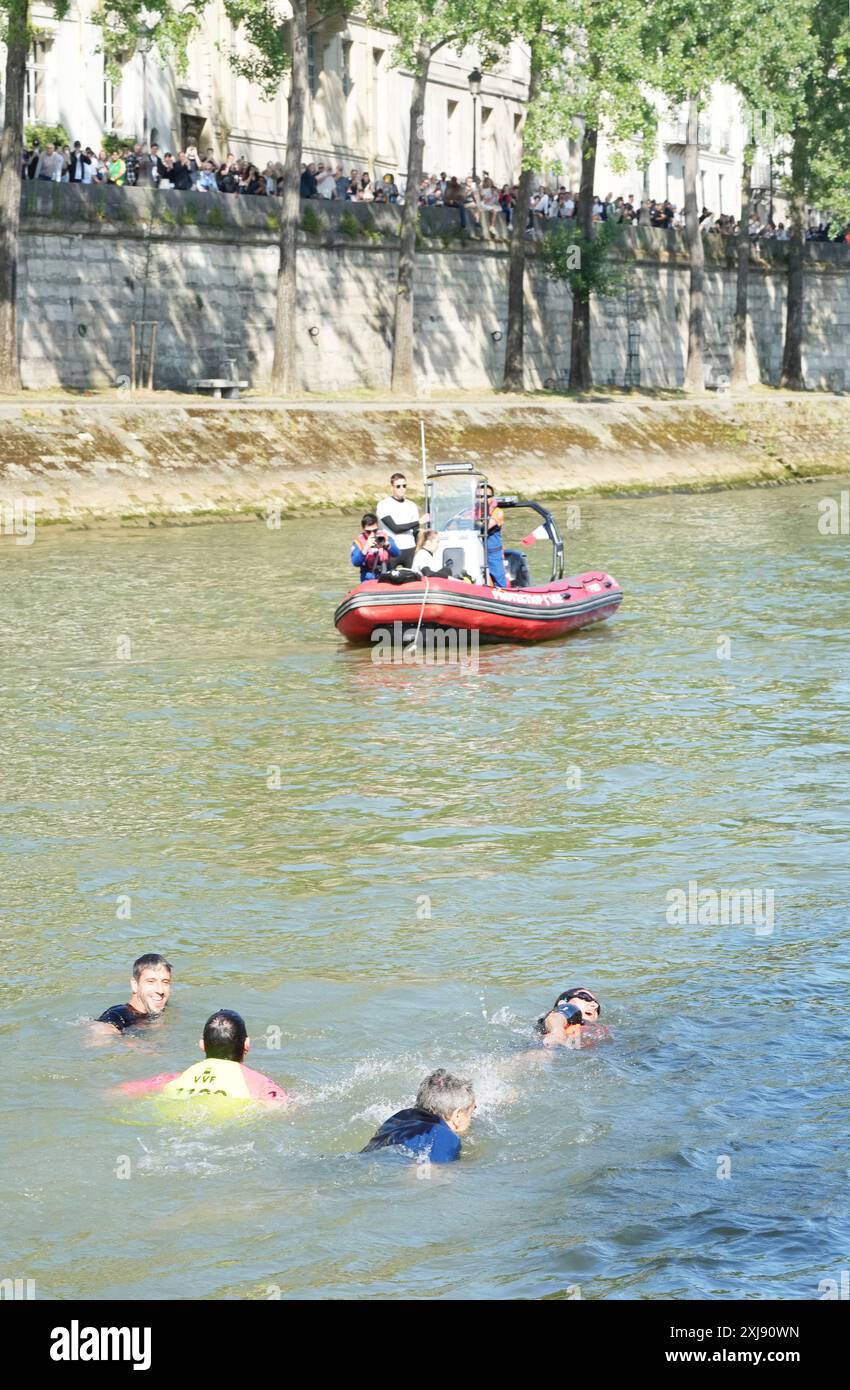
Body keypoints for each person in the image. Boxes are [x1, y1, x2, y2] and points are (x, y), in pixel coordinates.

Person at [120, 1009, 288, 1103]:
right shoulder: (260, 1084)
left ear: (202, 1045)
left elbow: (123, 1090)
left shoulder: (173, 1079)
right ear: (247, 1045)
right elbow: (282, 1107)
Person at [362, 1069, 476, 1162]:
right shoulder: (444, 1136)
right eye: (471, 1112)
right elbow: (431, 1178)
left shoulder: (400, 1117)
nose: (471, 1120)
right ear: (457, 1115)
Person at [94, 953, 173, 1033]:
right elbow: (100, 1033)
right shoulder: (118, 1015)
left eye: (165, 982)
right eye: (151, 981)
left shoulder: (164, 1007)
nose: (160, 990)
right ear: (135, 984)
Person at [376, 472, 420, 564]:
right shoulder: (383, 504)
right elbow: (395, 528)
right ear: (392, 487)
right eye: (398, 486)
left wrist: (417, 547)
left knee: (411, 577)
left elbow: (416, 531)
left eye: (404, 486)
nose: (402, 489)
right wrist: (418, 522)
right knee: (388, 577)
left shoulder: (412, 505)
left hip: (409, 548)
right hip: (392, 549)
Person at [351, 513, 400, 582]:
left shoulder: (384, 537)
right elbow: (355, 562)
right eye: (368, 532)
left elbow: (397, 553)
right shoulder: (358, 542)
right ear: (363, 529)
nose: (372, 534)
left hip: (386, 573)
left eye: (375, 530)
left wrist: (387, 545)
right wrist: (366, 548)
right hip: (368, 577)